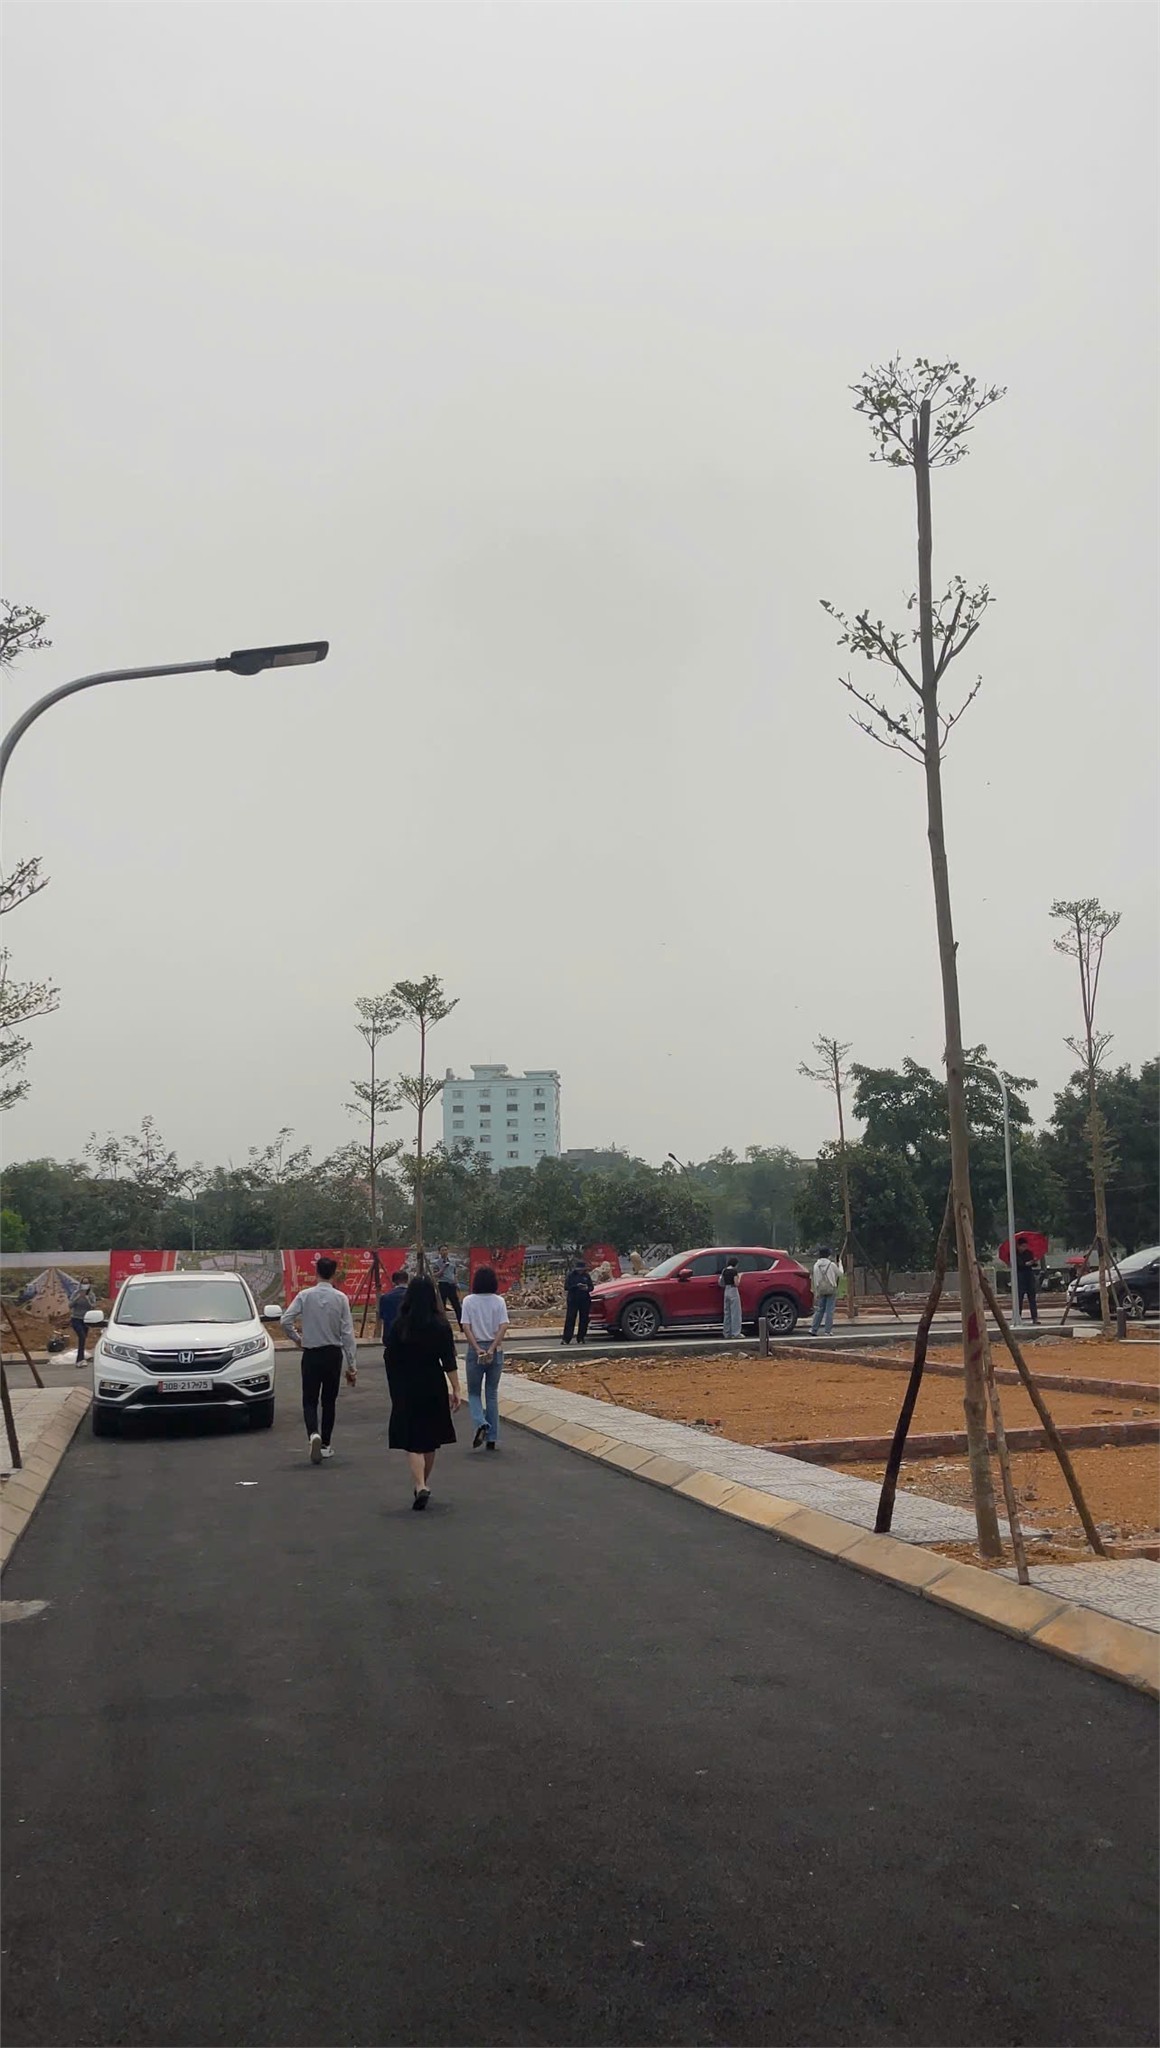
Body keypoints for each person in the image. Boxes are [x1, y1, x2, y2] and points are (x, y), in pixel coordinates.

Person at [385, 1276, 461, 1509]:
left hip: (406, 1385)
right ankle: (423, 1483)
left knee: (412, 1439)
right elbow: (448, 1360)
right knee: (430, 1439)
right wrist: (456, 1388)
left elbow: (390, 1357)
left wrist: (395, 1386)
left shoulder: (400, 1325)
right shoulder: (440, 1325)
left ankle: (420, 1485)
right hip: (433, 1384)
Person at [281, 1255, 358, 1463]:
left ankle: (313, 1434)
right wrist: (352, 1365)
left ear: (316, 1273)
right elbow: (347, 1334)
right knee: (329, 1401)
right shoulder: (341, 1298)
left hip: (311, 1353)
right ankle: (325, 1444)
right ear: (334, 1274)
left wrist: (297, 1339)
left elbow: (285, 1320)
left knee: (309, 1399)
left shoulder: (305, 1296)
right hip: (333, 1355)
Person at [461, 1265, 510, 1451]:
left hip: (476, 1349)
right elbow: (503, 1326)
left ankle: (480, 1422)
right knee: (491, 1393)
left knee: (473, 1392)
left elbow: (466, 1327)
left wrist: (477, 1348)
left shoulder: (468, 1301)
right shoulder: (499, 1301)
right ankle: (492, 1437)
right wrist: (491, 1348)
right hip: (495, 1349)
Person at [810, 1247, 840, 1337]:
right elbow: (840, 1273)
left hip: (821, 1289)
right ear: (828, 1255)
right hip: (831, 1289)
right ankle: (828, 1331)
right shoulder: (831, 1265)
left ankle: (814, 1329)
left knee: (820, 1310)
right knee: (829, 1311)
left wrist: (816, 1291)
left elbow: (815, 1280)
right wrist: (840, 1265)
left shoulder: (816, 1265)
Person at [562, 1260, 593, 1345]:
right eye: (579, 1270)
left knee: (584, 1319)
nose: (580, 1271)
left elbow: (591, 1287)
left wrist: (586, 1288)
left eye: (582, 1270)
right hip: (573, 1299)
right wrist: (576, 1286)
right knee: (570, 1318)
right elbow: (566, 1287)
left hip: (584, 1299)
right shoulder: (571, 1275)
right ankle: (566, 1338)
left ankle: (581, 1337)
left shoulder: (586, 1276)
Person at [432, 1246, 463, 1330]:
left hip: (451, 1285)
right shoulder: (436, 1263)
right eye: (442, 1250)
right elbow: (435, 1275)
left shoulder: (452, 1262)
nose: (444, 1252)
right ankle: (441, 1327)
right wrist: (443, 1268)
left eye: (446, 1250)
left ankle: (462, 1327)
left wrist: (457, 1284)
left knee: (457, 1306)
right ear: (439, 1252)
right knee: (441, 1307)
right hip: (442, 1285)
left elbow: (454, 1274)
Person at [378, 1267, 409, 1345]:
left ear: (393, 1281)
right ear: (407, 1280)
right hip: (409, 1336)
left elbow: (382, 1316)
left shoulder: (385, 1297)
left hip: (390, 1337)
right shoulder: (414, 1296)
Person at [70, 1281, 97, 1365]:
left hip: (86, 1319)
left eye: (86, 1283)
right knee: (81, 1336)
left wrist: (87, 1299)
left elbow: (93, 1306)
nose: (85, 1285)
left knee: (84, 1338)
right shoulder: (76, 1293)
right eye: (84, 1283)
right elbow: (70, 1305)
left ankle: (81, 1357)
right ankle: (80, 1359)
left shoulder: (91, 1295)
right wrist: (77, 1298)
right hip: (76, 1318)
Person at [1015, 1236, 1040, 1325]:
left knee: (1032, 1298)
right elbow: (1019, 1265)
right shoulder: (1014, 1254)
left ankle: (1035, 1317)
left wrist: (1034, 1262)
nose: (1024, 1248)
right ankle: (1018, 1317)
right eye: (1022, 1246)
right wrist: (1026, 1264)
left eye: (1025, 1246)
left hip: (1029, 1275)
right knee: (1019, 1298)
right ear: (1018, 1246)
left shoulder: (1029, 1253)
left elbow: (1034, 1264)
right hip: (1019, 1276)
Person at [720, 1257, 742, 1338]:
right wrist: (740, 1277)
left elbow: (721, 1283)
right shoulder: (734, 1271)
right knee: (735, 1313)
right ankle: (736, 1333)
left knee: (727, 1312)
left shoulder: (724, 1270)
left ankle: (726, 1332)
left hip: (726, 1290)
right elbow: (736, 1283)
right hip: (733, 1290)